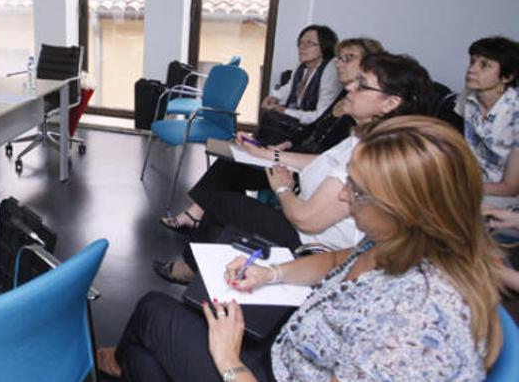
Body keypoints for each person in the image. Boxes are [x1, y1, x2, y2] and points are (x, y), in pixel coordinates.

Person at [99, 116, 504, 381]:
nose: (343, 197)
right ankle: (129, 361)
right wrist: (271, 274)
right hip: (292, 358)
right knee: (147, 359)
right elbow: (338, 260)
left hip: (263, 370)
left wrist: (229, 361)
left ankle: (123, 360)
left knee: (153, 314)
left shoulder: (410, 332)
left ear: (405, 209)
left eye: (357, 191)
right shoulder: (404, 238)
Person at [155, 53, 434, 284]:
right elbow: (321, 162)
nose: (350, 87)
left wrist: (283, 188)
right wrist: (268, 154)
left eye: (362, 85)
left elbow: (306, 220)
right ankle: (204, 264)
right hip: (303, 214)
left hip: (308, 242)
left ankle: (192, 270)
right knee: (230, 184)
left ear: (391, 102)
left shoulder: (373, 152)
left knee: (222, 203)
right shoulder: (366, 135)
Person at [160, 37, 384, 234]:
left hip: (301, 172)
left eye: (348, 58)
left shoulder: (363, 116)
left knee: (232, 171)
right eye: (340, 58)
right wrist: (285, 144)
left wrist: (274, 155)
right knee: (233, 161)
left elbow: (325, 157)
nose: (339, 63)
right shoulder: (342, 97)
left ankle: (200, 219)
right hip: (296, 156)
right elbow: (312, 129)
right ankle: (203, 220)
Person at [455, 36, 519, 206]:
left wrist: (459, 188)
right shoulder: (468, 99)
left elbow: (511, 187)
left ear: (506, 77)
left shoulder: (515, 111)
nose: (472, 70)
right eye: (472, 62)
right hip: (476, 184)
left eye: (485, 65)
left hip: (507, 197)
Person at [259, 25, 341, 126]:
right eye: (301, 42)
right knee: (268, 116)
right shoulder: (301, 67)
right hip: (298, 124)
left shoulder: (331, 70)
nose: (302, 47)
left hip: (314, 130)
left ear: (324, 47)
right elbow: (289, 88)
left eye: (309, 43)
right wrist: (274, 98)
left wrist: (284, 111)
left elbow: (321, 115)